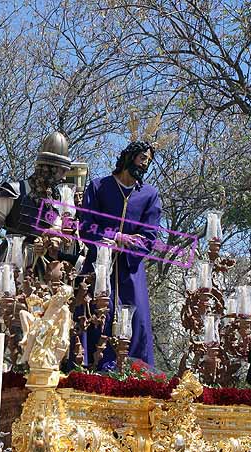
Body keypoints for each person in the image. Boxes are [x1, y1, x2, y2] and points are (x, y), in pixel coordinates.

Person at [80, 141, 162, 369]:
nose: (146, 164)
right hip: (99, 268)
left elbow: (149, 237)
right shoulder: (99, 187)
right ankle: (93, 368)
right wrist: (115, 237)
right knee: (94, 315)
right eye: (143, 158)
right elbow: (86, 225)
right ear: (130, 156)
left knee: (137, 320)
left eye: (149, 161)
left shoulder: (149, 195)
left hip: (130, 271)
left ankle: (133, 373)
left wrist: (130, 246)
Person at [0, 131, 72, 271]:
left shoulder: (54, 201)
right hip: (10, 260)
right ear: (50, 169)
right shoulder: (14, 191)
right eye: (62, 171)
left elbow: (55, 230)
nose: (64, 178)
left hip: (40, 264)